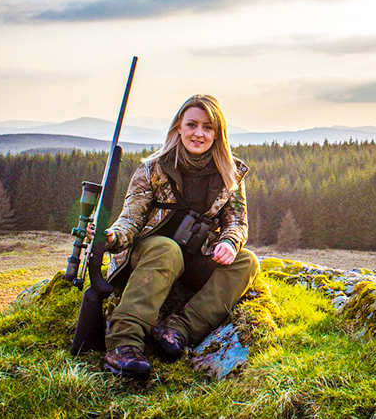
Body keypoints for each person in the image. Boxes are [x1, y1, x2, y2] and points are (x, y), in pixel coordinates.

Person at [88, 94, 259, 379]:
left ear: (218, 133)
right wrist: (110, 237)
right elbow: (129, 220)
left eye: (208, 127)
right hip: (149, 254)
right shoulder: (151, 169)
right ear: (179, 126)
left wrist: (230, 243)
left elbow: (237, 222)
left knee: (247, 262)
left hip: (194, 258)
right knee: (167, 249)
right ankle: (123, 344)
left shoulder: (230, 173)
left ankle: (177, 330)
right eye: (192, 124)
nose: (199, 133)